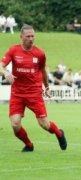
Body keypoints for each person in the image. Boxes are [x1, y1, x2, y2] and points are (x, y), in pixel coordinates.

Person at [0, 24, 67, 152]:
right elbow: (1, 66)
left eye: (32, 36)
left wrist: (47, 87)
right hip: (17, 94)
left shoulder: (40, 53)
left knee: (44, 125)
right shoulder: (13, 50)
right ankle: (29, 145)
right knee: (15, 124)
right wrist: (5, 73)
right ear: (21, 37)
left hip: (34, 93)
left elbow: (43, 71)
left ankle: (59, 133)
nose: (31, 39)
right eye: (28, 36)